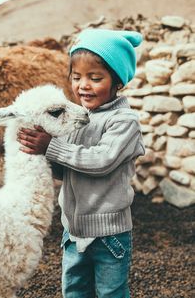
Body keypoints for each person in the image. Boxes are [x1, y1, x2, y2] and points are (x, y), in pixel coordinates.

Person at [17, 28, 145, 298]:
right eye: (76, 77)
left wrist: (51, 146)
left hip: (109, 234)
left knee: (111, 292)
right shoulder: (78, 118)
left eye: (95, 78)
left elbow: (101, 161)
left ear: (117, 81)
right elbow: (68, 169)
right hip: (73, 231)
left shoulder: (124, 122)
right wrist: (40, 155)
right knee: (74, 290)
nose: (83, 85)